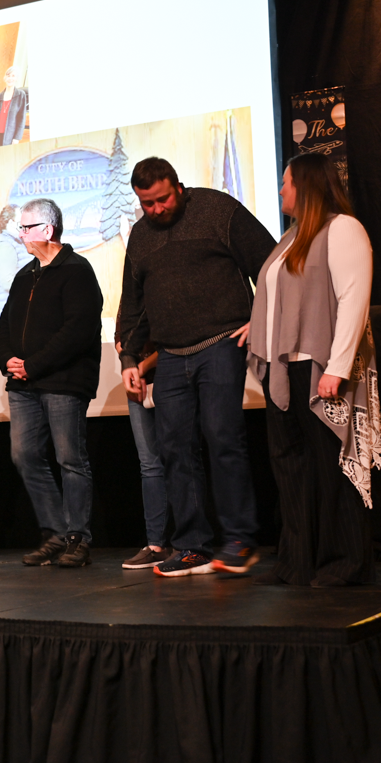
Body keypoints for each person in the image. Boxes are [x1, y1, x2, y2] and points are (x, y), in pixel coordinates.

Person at [116, 157, 276, 578]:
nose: (156, 210)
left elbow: (271, 264)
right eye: (147, 203)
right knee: (175, 450)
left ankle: (239, 540)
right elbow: (133, 304)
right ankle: (191, 546)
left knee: (223, 438)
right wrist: (129, 358)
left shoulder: (217, 210)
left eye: (162, 199)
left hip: (221, 341)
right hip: (170, 354)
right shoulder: (140, 236)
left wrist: (261, 317)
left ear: (178, 187)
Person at [248, 152, 381, 586]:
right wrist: (259, 328)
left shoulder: (342, 229)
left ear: (304, 185)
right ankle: (298, 562)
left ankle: (343, 563)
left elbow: (353, 301)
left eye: (285, 182)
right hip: (284, 369)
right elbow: (283, 297)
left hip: (320, 368)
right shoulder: (291, 238)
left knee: (330, 469)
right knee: (290, 467)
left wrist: (337, 368)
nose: (280, 190)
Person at [0, 197, 103, 567]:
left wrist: (34, 364)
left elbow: (77, 331)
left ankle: (78, 538)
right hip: (23, 386)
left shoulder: (77, 271)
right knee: (24, 455)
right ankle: (57, 533)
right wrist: (6, 360)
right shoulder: (24, 275)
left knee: (70, 459)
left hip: (63, 382)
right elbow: (5, 326)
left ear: (47, 229)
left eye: (26, 228)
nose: (21, 234)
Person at [116, 340, 175, 570]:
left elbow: (173, 339)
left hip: (171, 378)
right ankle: (155, 545)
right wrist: (130, 365)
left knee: (181, 460)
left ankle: (189, 543)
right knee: (149, 465)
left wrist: (140, 367)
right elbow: (121, 338)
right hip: (137, 383)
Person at [0, 204, 25, 325]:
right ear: (11, 222)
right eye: (21, 221)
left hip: (13, 316)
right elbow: (7, 282)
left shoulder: (15, 243)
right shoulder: (5, 246)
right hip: (9, 318)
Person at [0, 65, 29, 148]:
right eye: (8, 75)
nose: (10, 78)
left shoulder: (20, 95)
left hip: (9, 137)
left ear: (17, 78)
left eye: (13, 76)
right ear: (5, 78)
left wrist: (17, 137)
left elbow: (21, 118)